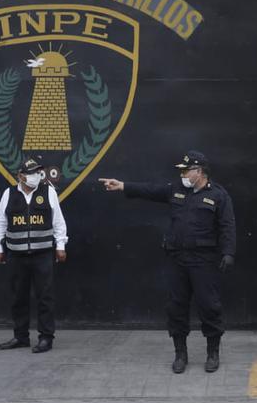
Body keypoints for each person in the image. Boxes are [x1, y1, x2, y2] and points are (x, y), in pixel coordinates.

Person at [99, 150, 236, 373]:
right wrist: (123, 185)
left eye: (186, 171)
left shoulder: (219, 195)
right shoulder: (176, 190)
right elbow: (150, 190)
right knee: (176, 307)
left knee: (209, 306)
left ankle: (213, 352)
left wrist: (229, 253)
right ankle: (180, 353)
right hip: (177, 259)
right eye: (182, 171)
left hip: (203, 261)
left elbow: (228, 226)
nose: (183, 175)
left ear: (200, 171)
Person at [0, 157, 68, 353]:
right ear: (21, 176)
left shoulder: (48, 192)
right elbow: (0, 223)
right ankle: (20, 337)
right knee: (18, 298)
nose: (36, 176)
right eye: (32, 173)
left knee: (45, 297)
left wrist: (60, 245)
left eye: (38, 172)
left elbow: (58, 222)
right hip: (16, 255)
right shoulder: (9, 194)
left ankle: (46, 338)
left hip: (43, 254)